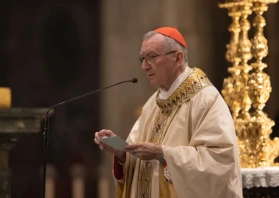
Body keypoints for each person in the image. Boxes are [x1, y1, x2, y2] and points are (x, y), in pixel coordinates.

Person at [94, 27, 243, 198]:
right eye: (142, 59)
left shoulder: (206, 99)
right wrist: (121, 152)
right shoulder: (153, 104)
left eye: (152, 57)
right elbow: (138, 161)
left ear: (178, 58)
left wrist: (163, 154)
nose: (144, 66)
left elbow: (219, 163)